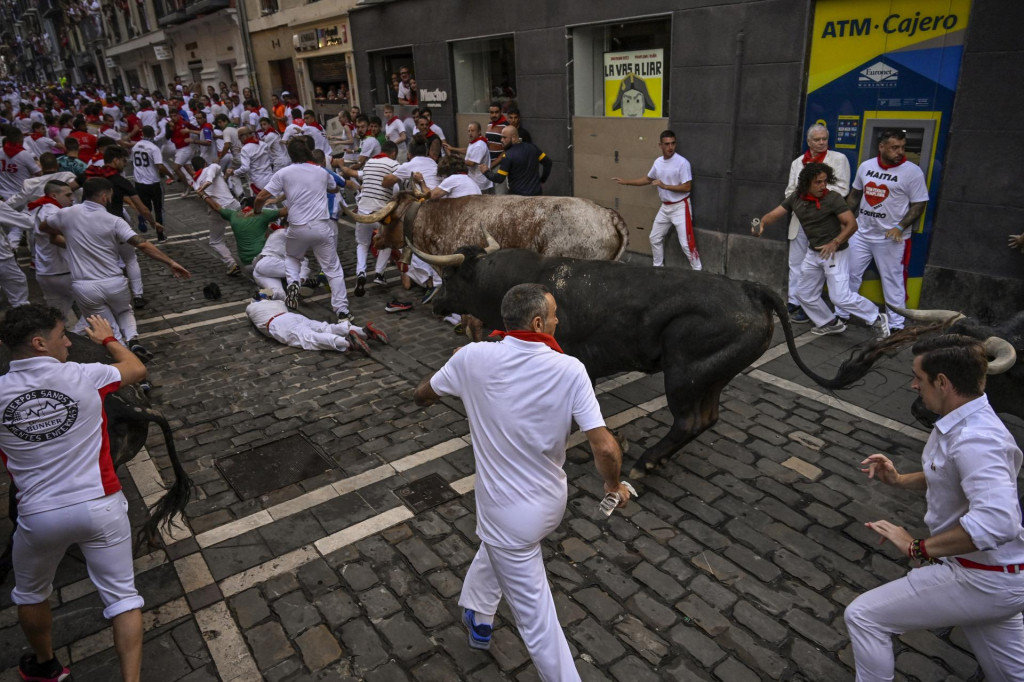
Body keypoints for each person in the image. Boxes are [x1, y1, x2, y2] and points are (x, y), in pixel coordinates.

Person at [413, 284, 630, 682]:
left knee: (536, 620)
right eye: (554, 314)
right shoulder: (571, 369)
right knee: (501, 547)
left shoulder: (473, 357)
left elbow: (422, 394)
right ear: (538, 323)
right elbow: (605, 448)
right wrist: (613, 485)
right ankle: (479, 615)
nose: (558, 320)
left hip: (506, 513)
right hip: (548, 504)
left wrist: (456, 368)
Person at [845, 334, 1024, 682]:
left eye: (918, 378)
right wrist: (898, 480)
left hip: (982, 579)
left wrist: (917, 548)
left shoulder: (977, 440)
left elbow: (997, 523)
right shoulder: (962, 419)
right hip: (1001, 578)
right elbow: (947, 474)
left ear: (942, 382)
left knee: (864, 617)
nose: (913, 385)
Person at [0, 306, 148, 682]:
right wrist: (108, 339)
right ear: (39, 343)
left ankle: (46, 665)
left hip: (38, 515)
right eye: (61, 335)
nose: (68, 342)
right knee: (123, 600)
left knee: (30, 594)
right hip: (101, 505)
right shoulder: (85, 375)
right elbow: (136, 369)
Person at [39, 177, 191, 358]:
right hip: (114, 282)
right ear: (105, 197)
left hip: (86, 286)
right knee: (125, 310)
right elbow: (142, 244)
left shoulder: (66, 214)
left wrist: (71, 238)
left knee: (107, 325)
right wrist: (170, 262)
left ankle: (126, 354)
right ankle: (132, 341)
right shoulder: (114, 220)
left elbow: (44, 227)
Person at [753, 163, 889, 338]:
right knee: (804, 294)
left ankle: (876, 318)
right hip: (813, 253)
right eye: (818, 182)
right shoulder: (796, 198)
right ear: (806, 183)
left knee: (840, 297)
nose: (823, 186)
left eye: (825, 181)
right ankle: (830, 323)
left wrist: (835, 242)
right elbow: (774, 214)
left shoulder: (833, 199)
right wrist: (762, 223)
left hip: (835, 253)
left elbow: (851, 224)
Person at [836, 129, 929, 332]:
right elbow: (855, 196)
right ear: (881, 147)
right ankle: (841, 315)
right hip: (861, 233)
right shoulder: (866, 166)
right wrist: (844, 221)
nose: (900, 152)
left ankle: (896, 325)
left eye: (903, 147)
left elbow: (919, 204)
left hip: (890, 238)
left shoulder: (913, 172)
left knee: (892, 282)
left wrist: (900, 227)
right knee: (848, 275)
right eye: (895, 147)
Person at [255, 138, 349, 319]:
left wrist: (257, 211)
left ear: (290, 155)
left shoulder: (284, 173)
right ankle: (342, 310)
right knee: (333, 269)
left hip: (297, 227)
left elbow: (261, 197)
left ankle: (293, 283)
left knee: (292, 258)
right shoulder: (320, 171)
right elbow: (334, 188)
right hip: (321, 226)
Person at [783, 124, 851, 323]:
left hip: (824, 220)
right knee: (796, 262)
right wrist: (803, 200)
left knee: (818, 265)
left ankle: (809, 305)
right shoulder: (798, 162)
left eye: (824, 139)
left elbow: (842, 189)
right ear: (808, 141)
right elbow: (789, 191)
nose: (821, 143)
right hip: (800, 219)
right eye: (817, 140)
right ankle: (794, 300)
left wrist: (814, 195)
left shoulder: (838, 159)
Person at [612, 130, 701, 270]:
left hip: (680, 207)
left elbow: (687, 187)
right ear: (660, 145)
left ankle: (698, 271)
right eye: (667, 144)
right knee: (654, 238)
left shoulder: (682, 163)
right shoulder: (658, 162)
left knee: (686, 244)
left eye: (673, 143)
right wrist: (626, 182)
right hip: (665, 207)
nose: (670, 147)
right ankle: (657, 269)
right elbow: (648, 179)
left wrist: (665, 186)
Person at [337, 140, 400, 297]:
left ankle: (361, 273)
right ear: (393, 153)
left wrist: (341, 166)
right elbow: (398, 189)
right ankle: (379, 274)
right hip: (380, 214)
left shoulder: (370, 163)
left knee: (362, 244)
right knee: (387, 242)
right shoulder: (394, 165)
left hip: (363, 211)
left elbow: (354, 174)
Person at [246, 293, 389, 353]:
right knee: (325, 327)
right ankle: (361, 331)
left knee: (309, 337)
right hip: (292, 316)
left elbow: (252, 316)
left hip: (277, 324)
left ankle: (347, 342)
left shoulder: (251, 308)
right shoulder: (278, 302)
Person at [28, 180, 77, 322]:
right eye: (68, 195)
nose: (72, 199)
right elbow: (55, 237)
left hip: (46, 272)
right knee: (96, 306)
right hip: (62, 271)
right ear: (54, 195)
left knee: (57, 316)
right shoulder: (52, 211)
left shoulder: (42, 208)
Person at [191, 156, 241, 276]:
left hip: (216, 210)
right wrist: (208, 182)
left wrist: (203, 189)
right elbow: (211, 175)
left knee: (215, 241)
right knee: (247, 231)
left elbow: (211, 189)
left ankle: (231, 263)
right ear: (205, 163)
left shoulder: (195, 182)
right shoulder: (213, 166)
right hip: (232, 205)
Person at [130, 125, 173, 239]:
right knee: (159, 209)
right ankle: (160, 234)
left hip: (139, 182)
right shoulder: (154, 148)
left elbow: (132, 161)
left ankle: (143, 217)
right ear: (153, 134)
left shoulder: (136, 146)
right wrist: (170, 174)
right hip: (153, 182)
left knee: (145, 206)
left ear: (142, 134)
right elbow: (160, 165)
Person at [484, 126, 551, 197]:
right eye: (501, 137)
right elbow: (548, 163)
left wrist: (486, 172)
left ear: (514, 138)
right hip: (536, 195)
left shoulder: (508, 155)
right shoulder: (533, 148)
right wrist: (542, 180)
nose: (501, 140)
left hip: (518, 198)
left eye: (504, 137)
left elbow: (499, 178)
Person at [442, 122, 492, 193]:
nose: (470, 133)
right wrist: (452, 148)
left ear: (479, 132)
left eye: (473, 131)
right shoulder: (475, 142)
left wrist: (457, 160)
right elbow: (468, 151)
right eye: (469, 131)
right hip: (475, 179)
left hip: (480, 182)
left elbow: (471, 163)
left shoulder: (479, 145)